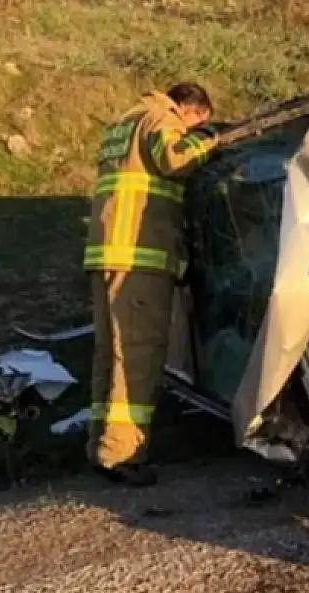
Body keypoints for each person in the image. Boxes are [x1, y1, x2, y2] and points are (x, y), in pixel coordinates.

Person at [83, 82, 219, 487]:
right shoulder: (160, 119)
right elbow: (175, 158)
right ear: (189, 109)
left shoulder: (122, 124)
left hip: (107, 253)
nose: (192, 128)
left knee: (110, 356)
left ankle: (101, 446)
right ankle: (125, 454)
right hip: (138, 256)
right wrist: (209, 142)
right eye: (198, 122)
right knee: (139, 356)